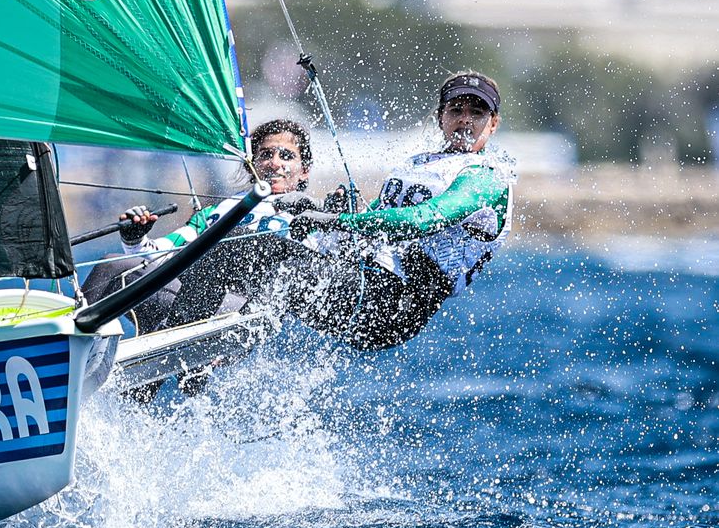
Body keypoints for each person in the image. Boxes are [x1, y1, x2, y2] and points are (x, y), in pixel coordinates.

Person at [285, 70, 515, 349]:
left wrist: (336, 220)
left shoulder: (486, 177)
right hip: (362, 275)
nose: (465, 119)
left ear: (492, 124)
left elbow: (422, 220)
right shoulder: (419, 163)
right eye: (456, 110)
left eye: (477, 112)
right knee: (257, 244)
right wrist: (326, 208)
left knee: (267, 259)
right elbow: (382, 224)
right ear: (442, 117)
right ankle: (224, 345)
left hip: (393, 305)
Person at [80, 118, 319, 334]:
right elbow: (159, 256)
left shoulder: (312, 216)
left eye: (286, 156)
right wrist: (135, 239)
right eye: (266, 154)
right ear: (252, 163)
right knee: (111, 266)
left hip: (242, 313)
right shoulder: (217, 211)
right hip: (185, 299)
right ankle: (73, 348)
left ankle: (180, 348)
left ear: (305, 171)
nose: (274, 163)